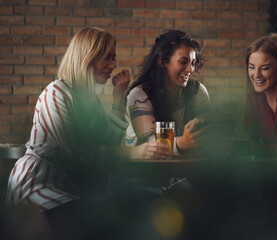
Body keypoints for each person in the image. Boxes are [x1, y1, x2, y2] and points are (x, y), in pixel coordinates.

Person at [6, 27, 169, 239]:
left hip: (69, 192)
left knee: (138, 210)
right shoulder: (56, 93)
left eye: (114, 58)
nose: (113, 65)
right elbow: (74, 150)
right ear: (87, 57)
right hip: (37, 190)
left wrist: (118, 97)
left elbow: (109, 143)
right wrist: (133, 153)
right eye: (107, 58)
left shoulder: (89, 101)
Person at [124, 29, 211, 156]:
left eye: (193, 63)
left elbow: (208, 132)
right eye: (183, 62)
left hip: (178, 169)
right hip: (138, 169)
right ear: (163, 62)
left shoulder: (197, 91)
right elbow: (149, 143)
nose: (190, 69)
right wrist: (182, 143)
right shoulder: (139, 95)